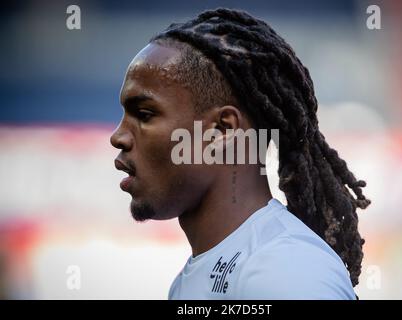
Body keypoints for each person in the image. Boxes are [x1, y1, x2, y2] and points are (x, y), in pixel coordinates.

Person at [110, 8, 371, 299]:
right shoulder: (188, 282)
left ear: (222, 130)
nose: (117, 136)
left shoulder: (287, 270)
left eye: (144, 114)